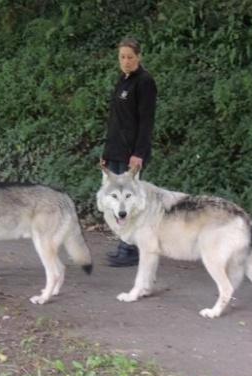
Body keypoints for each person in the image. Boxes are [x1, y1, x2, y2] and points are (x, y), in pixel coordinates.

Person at [101, 37, 157, 267]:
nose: (126, 61)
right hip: (115, 150)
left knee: (128, 201)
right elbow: (115, 120)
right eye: (122, 57)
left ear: (139, 57)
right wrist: (106, 151)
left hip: (131, 154)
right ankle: (124, 242)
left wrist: (139, 153)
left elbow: (146, 122)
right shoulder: (122, 81)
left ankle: (130, 249)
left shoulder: (144, 82)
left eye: (130, 57)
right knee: (115, 201)